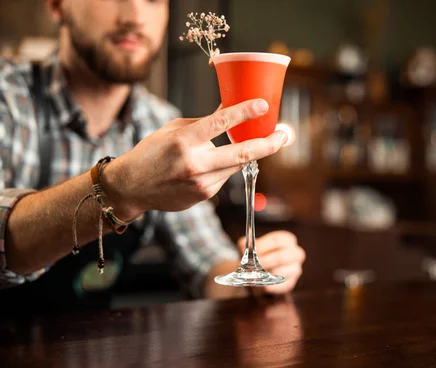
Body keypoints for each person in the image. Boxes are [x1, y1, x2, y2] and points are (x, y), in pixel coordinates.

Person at [0, 0, 305, 313]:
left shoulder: (160, 122)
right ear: (56, 6)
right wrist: (118, 189)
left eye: (154, 0)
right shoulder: (7, 98)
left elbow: (207, 263)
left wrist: (254, 281)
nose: (135, 17)